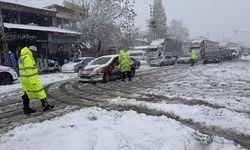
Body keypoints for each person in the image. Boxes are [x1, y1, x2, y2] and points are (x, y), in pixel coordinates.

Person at [18, 45, 54, 114]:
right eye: (35, 52)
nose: (35, 54)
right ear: (32, 51)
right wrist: (33, 81)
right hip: (31, 79)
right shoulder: (28, 58)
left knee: (26, 93)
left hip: (24, 79)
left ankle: (26, 108)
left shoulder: (21, 58)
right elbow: (29, 70)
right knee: (40, 91)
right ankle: (45, 106)